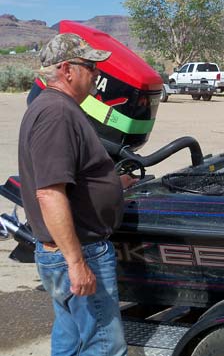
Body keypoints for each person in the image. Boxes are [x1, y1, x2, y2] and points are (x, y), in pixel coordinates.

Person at [18, 33, 133, 355]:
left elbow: (70, 180)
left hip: (66, 250)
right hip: (81, 251)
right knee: (104, 345)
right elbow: (50, 194)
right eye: (91, 67)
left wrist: (114, 183)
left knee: (71, 339)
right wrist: (76, 263)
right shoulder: (57, 113)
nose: (97, 75)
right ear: (68, 69)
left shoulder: (54, 108)